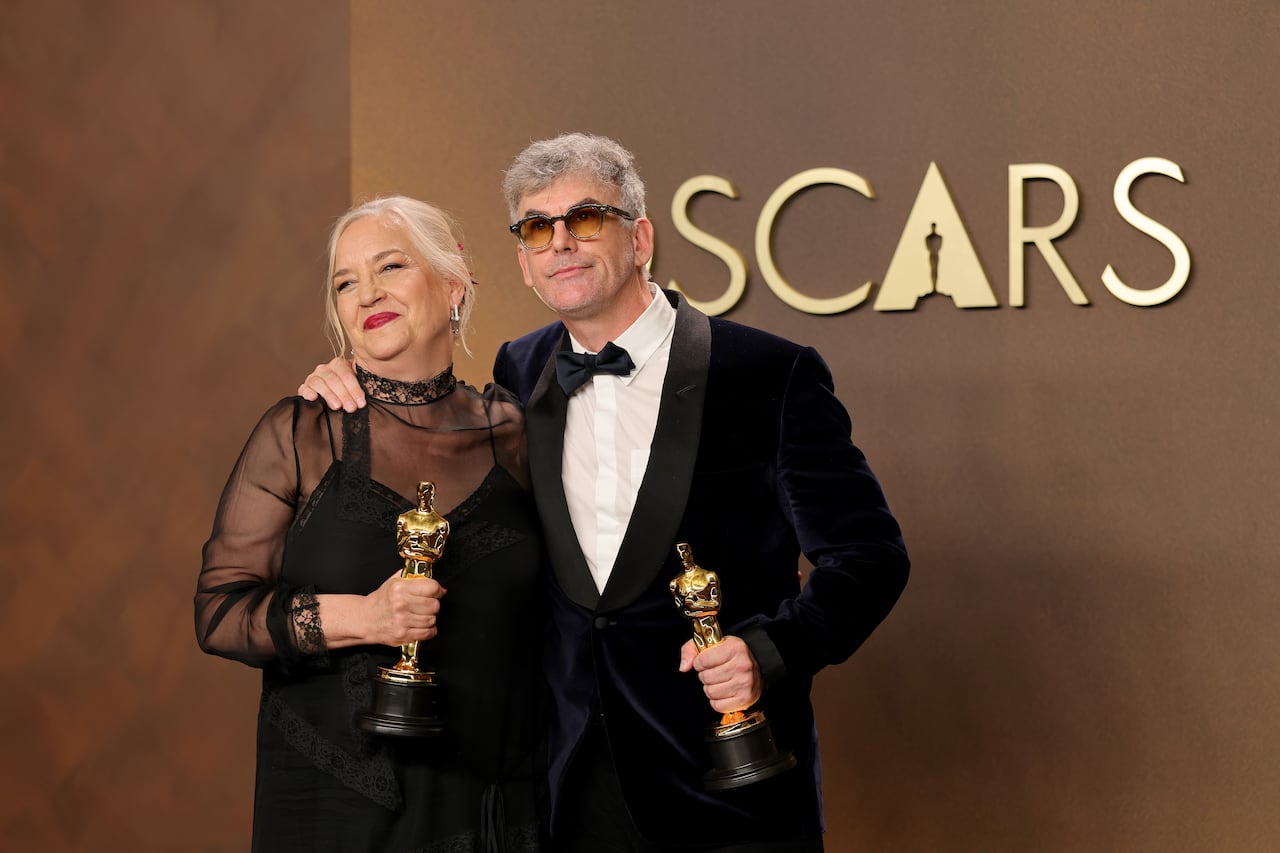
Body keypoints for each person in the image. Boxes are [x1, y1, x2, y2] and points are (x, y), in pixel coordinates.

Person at [301, 133, 910, 852]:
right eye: (537, 228)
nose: (560, 242)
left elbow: (871, 558)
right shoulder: (518, 371)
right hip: (563, 788)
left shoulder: (768, 374)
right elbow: (444, 481)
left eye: (584, 218)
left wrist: (768, 651)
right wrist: (347, 382)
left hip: (726, 783)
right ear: (525, 264)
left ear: (641, 236)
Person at [196, 196, 545, 852]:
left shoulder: (517, 435)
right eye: (345, 282)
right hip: (336, 816)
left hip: (494, 810)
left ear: (453, 281)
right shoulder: (299, 432)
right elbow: (218, 612)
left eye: (390, 266)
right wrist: (365, 617)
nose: (367, 294)